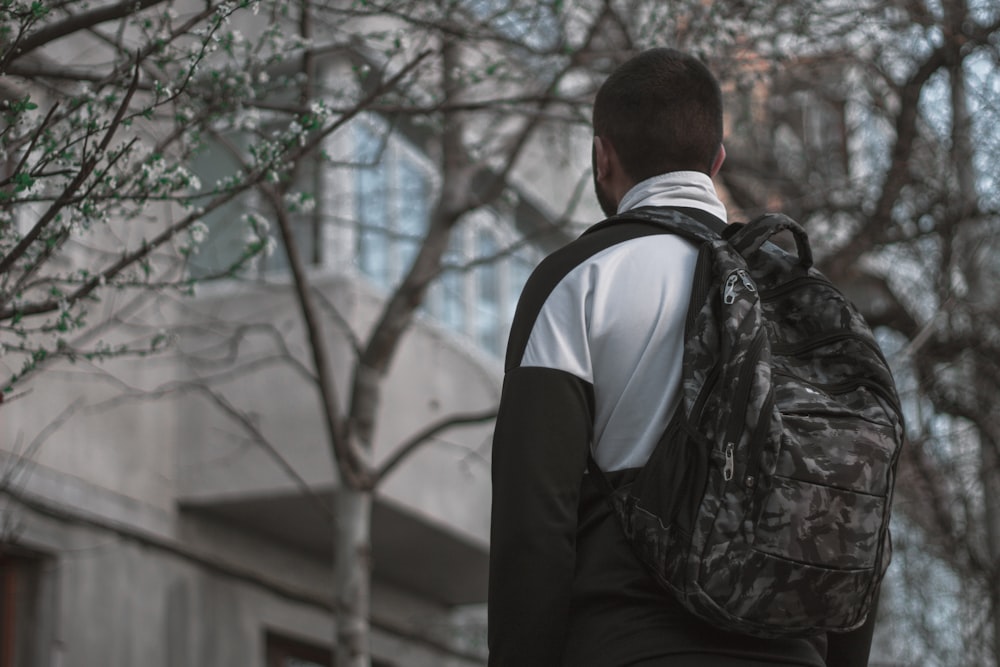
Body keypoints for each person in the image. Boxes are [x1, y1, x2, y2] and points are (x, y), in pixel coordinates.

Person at [487, 48, 878, 667]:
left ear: (601, 155)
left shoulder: (579, 280)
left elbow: (534, 521)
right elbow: (852, 505)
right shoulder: (810, 305)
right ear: (716, 161)